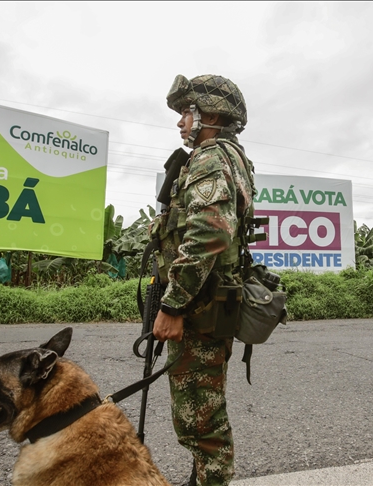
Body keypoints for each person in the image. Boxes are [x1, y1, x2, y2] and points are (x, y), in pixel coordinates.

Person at [151, 74, 254, 486]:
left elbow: (209, 234)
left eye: (186, 113)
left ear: (210, 113)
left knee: (199, 415)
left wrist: (173, 305)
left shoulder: (212, 156)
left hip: (197, 308)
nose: (180, 122)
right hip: (209, 303)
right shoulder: (235, 157)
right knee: (201, 409)